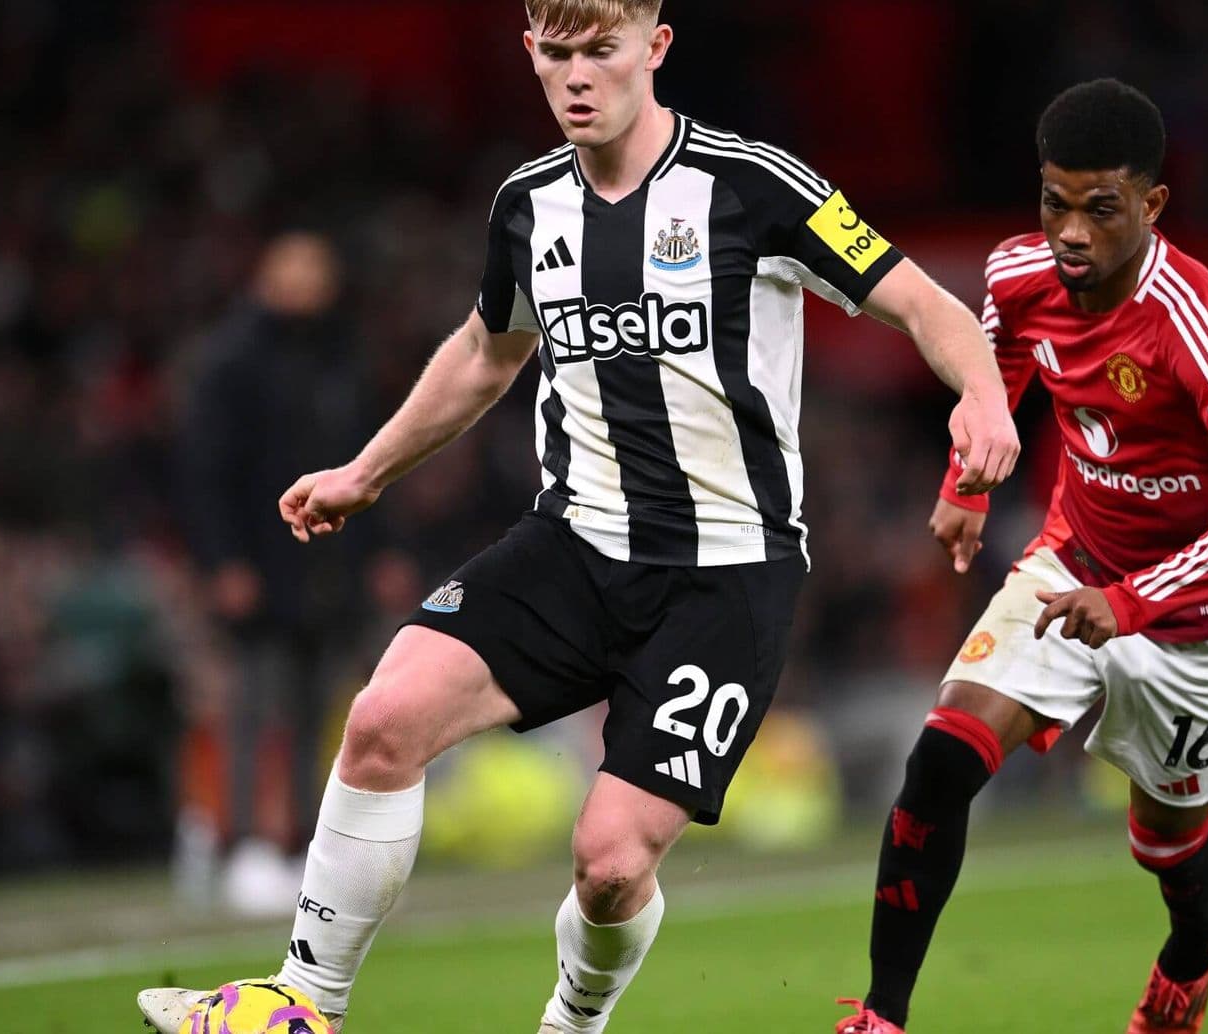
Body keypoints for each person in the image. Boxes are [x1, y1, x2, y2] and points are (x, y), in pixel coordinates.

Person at [139, 2, 1021, 1031]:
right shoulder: (527, 203)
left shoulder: (751, 184)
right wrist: (365, 471)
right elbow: (486, 352)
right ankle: (302, 1002)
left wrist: (983, 394)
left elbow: (922, 301)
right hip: (573, 543)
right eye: (555, 55)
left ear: (655, 47)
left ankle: (574, 1018)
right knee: (381, 720)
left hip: (724, 577)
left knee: (607, 864)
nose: (576, 77)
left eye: (600, 50)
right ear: (529, 54)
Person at [834, 79, 1208, 1034]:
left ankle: (1190, 956)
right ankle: (883, 1017)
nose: (1073, 233)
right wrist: (970, 480)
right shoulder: (1019, 274)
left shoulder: (1198, 323)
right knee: (938, 766)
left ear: (1151, 204)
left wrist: (1135, 603)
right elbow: (998, 354)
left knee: (1168, 846)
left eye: (1101, 209)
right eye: (1056, 203)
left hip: (1197, 624)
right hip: (1071, 563)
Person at [179, 232, 378, 913]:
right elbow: (206, 470)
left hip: (330, 568)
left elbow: (373, 461)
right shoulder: (232, 359)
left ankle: (299, 850)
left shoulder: (344, 357)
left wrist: (380, 552)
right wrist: (223, 559)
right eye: (291, 268)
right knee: (251, 713)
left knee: (319, 714)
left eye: (315, 268)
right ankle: (239, 846)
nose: (304, 281)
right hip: (261, 565)